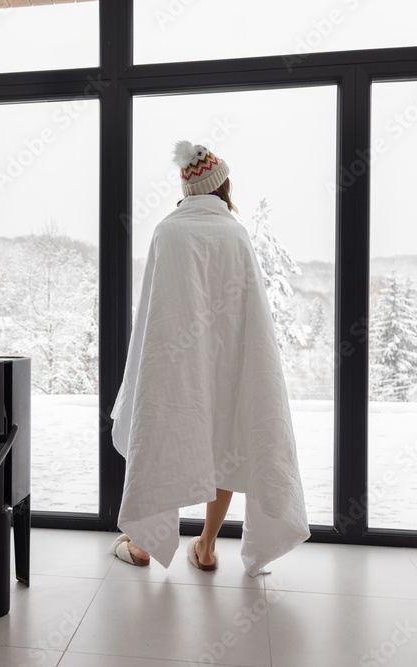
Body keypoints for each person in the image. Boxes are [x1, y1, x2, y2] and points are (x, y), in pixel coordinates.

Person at [109, 141, 310, 575]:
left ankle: (144, 545)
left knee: (164, 438)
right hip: (231, 366)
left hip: (174, 367)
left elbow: (153, 314)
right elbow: (251, 317)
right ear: (222, 187)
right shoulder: (235, 232)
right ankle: (205, 546)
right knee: (229, 443)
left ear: (188, 189)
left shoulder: (167, 230)